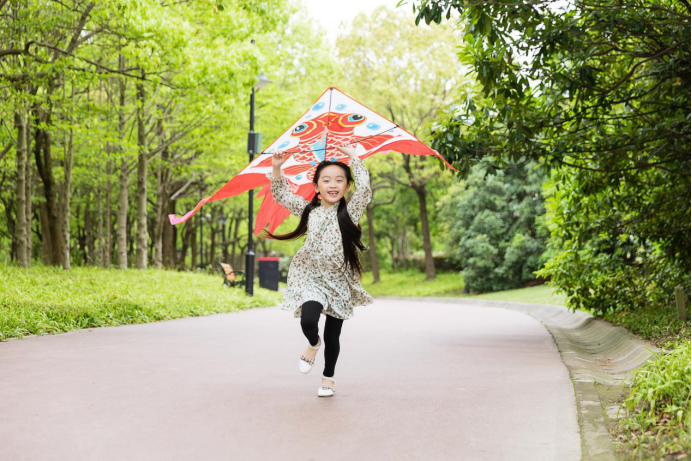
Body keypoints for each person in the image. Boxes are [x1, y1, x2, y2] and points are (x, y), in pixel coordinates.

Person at [261, 143, 374, 397]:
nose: (333, 185)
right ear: (317, 187)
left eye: (339, 180)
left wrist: (354, 157)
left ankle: (328, 378)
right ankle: (313, 344)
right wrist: (277, 167)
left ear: (346, 186)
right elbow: (283, 196)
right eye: (326, 180)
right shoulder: (309, 211)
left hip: (339, 282)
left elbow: (365, 190)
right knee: (309, 320)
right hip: (312, 278)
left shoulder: (350, 212)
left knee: (333, 336)